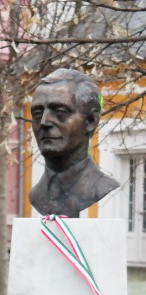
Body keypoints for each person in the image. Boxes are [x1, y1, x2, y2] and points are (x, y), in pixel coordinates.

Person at [29, 68, 119, 217]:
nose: (44, 122)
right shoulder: (36, 195)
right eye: (37, 114)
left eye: (60, 112)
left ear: (90, 121)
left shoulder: (102, 187)